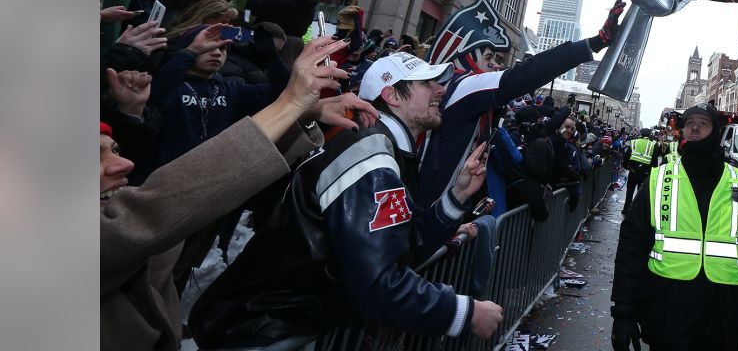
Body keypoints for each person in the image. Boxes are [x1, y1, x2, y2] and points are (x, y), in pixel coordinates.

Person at [189, 52, 504, 348]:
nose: (440, 90)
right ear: (393, 96)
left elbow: (401, 247)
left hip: (274, 325)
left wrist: (457, 196)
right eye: (427, 83)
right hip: (262, 331)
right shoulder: (370, 154)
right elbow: (378, 284)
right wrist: (464, 312)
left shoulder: (386, 149)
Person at [101, 36, 370, 351]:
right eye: (96, 158)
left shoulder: (227, 89)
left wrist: (301, 114)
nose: (123, 164)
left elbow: (230, 171)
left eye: (115, 149)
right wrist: (289, 104)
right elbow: (150, 209)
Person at [416, 0, 626, 219]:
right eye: (489, 59)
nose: (497, 65)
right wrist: (594, 43)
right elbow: (525, 75)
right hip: (434, 212)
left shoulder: (456, 92)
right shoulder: (460, 87)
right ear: (466, 59)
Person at [611, 105, 738, 351]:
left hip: (724, 320)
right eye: (690, 123)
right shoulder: (659, 180)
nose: (695, 127)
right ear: (683, 131)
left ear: (716, 132)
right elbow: (631, 250)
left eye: (703, 123)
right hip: (668, 313)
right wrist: (623, 314)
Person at [132, 23, 290, 182]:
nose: (216, 53)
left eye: (222, 49)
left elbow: (282, 92)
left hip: (207, 179)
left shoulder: (233, 90)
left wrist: (272, 59)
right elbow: (158, 93)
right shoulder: (170, 83)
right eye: (208, 48)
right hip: (161, 177)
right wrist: (190, 53)